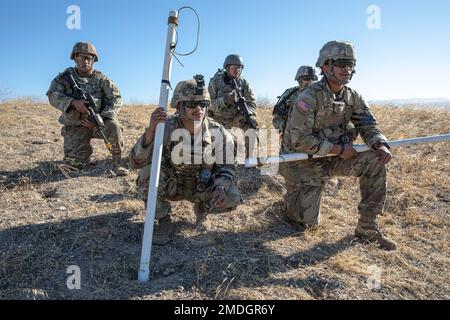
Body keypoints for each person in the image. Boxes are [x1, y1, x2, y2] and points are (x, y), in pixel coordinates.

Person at [280, 40, 397, 250]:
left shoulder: (353, 96)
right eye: (341, 63)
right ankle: (291, 199)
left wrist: (379, 143)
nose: (347, 68)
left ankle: (367, 228)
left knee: (374, 161)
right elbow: (300, 140)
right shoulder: (307, 97)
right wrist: (339, 149)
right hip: (301, 163)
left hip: (334, 157)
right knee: (305, 224)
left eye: (350, 64)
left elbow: (368, 124)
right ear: (326, 67)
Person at [128, 75, 241, 245]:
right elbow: (135, 162)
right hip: (172, 185)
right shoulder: (164, 128)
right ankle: (163, 218)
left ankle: (202, 210)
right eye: (191, 104)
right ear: (179, 106)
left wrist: (220, 186)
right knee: (146, 175)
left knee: (232, 195)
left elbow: (227, 166)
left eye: (203, 104)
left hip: (202, 186)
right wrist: (151, 131)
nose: (198, 109)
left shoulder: (219, 132)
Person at [46, 42, 128, 175]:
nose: (86, 61)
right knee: (75, 166)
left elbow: (116, 98)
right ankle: (79, 157)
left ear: (94, 60)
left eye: (89, 58)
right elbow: (53, 95)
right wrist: (73, 102)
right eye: (82, 57)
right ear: (75, 57)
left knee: (114, 126)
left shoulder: (101, 79)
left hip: (98, 123)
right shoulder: (64, 78)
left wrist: (102, 117)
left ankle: (117, 163)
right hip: (76, 126)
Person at [207, 54, 257, 131]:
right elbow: (207, 104)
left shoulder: (244, 83)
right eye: (234, 67)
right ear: (227, 67)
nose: (237, 70)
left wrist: (245, 113)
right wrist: (224, 100)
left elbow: (252, 103)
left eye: (239, 67)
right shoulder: (216, 81)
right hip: (217, 118)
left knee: (251, 123)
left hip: (236, 118)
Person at [272, 65, 318, 136]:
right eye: (306, 78)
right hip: (292, 139)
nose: (310, 81)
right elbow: (276, 117)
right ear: (299, 79)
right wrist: (286, 129)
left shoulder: (321, 95)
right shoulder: (290, 94)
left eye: (313, 78)